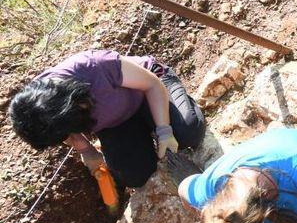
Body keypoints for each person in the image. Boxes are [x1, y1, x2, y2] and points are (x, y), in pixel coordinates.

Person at [8, 49, 205, 189]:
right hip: (116, 121)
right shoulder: (43, 114)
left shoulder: (92, 66)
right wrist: (87, 151)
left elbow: (152, 84)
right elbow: (63, 132)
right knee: (135, 177)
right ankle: (145, 130)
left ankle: (168, 113)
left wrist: (164, 131)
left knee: (188, 132)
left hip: (148, 89)